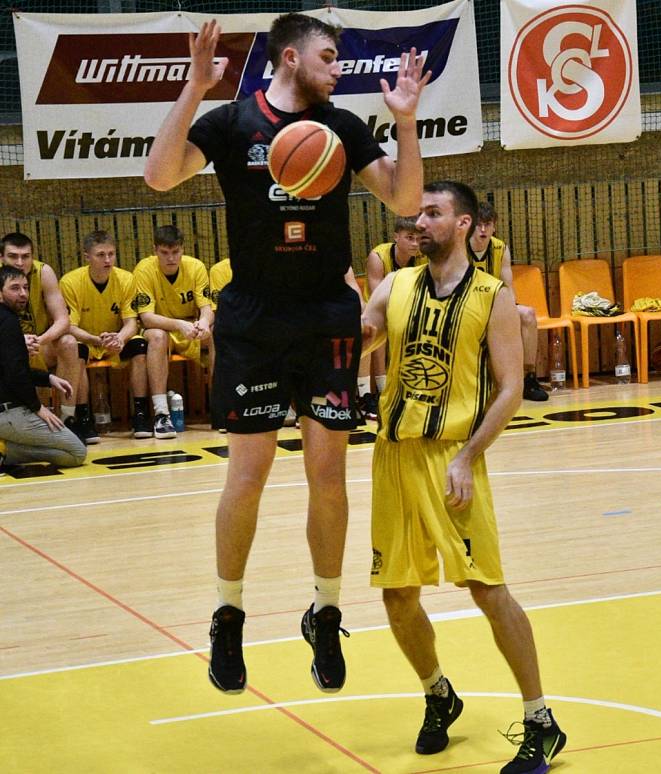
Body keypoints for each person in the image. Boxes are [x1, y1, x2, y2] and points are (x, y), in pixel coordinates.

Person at [143, 13, 430, 696]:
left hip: (326, 316)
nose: (338, 67)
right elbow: (159, 177)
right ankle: (227, 613)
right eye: (328, 56)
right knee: (249, 473)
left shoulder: (343, 125)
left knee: (328, 472)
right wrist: (192, 89)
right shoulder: (234, 123)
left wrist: (409, 122)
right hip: (253, 318)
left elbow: (407, 197)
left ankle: (325, 612)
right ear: (290, 57)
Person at [361, 181, 566, 772]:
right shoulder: (396, 284)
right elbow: (357, 336)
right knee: (397, 595)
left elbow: (510, 390)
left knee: (487, 589)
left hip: (452, 455)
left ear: (464, 224)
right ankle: (437, 694)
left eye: (432, 213)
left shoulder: (492, 295)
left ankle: (541, 721)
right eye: (417, 214)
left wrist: (468, 457)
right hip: (393, 454)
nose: (418, 222)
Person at [60, 231, 152, 439]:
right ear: (87, 256)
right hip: (87, 339)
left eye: (111, 254)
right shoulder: (70, 282)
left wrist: (120, 338)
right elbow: (69, 326)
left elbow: (131, 322)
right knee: (77, 350)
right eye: (101, 255)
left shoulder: (126, 279)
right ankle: (83, 418)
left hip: (116, 341)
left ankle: (140, 414)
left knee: (139, 347)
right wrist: (94, 339)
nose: (108, 260)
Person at [0, 265, 86, 471]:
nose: (22, 294)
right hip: (9, 414)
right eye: (14, 288)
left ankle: (7, 451)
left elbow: (7, 368)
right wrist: (38, 409)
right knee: (77, 453)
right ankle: (7, 452)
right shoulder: (8, 321)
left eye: (25, 287)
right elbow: (15, 376)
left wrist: (47, 378)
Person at [133, 225, 214, 439]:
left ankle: (221, 405)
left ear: (183, 249)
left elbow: (207, 308)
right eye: (164, 253)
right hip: (162, 327)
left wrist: (204, 323)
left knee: (217, 332)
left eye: (175, 252)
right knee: (157, 336)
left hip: (190, 327)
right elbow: (147, 318)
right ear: (155, 250)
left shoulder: (196, 267)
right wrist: (179, 325)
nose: (171, 258)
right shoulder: (144, 269)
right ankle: (161, 414)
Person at [469, 203, 548, 401]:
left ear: (494, 226)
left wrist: (509, 311)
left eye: (487, 225)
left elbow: (507, 286)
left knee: (527, 315)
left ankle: (529, 379)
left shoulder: (500, 248)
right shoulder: (459, 247)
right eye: (479, 225)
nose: (483, 230)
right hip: (467, 306)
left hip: (495, 305)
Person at [360, 216, 424, 420]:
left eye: (418, 238)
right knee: (377, 330)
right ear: (396, 236)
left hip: (408, 310)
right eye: (409, 238)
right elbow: (378, 294)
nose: (415, 243)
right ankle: (373, 394)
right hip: (377, 311)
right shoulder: (378, 256)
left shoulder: (424, 257)